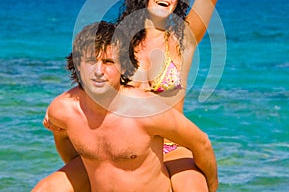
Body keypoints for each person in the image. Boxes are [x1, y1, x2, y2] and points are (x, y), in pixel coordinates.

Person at [33, 0, 278, 192]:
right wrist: (62, 106)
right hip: (122, 142)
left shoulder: (182, 40)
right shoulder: (118, 41)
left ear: (177, 0)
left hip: (173, 147)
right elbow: (92, 69)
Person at [32, 21, 218, 192]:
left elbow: (201, 143)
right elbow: (65, 139)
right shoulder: (63, 110)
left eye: (108, 62)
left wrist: (211, 186)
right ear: (78, 66)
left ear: (124, 65)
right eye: (90, 61)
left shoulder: (147, 110)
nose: (98, 71)